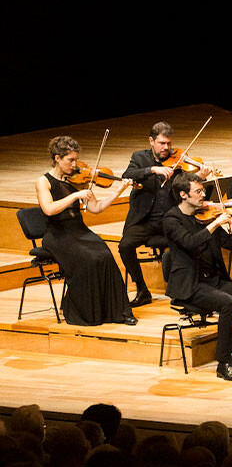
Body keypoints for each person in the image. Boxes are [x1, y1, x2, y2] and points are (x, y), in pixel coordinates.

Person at [162, 174, 232, 381]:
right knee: (228, 303)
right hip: (190, 284)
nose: (204, 195)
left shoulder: (206, 216)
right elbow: (189, 242)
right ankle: (224, 363)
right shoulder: (172, 219)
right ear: (183, 195)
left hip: (214, 280)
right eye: (198, 191)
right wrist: (215, 224)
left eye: (203, 190)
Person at [35, 136, 135, 327]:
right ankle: (84, 312)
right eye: (70, 160)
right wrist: (75, 195)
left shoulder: (77, 181)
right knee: (88, 258)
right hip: (57, 234)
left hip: (79, 230)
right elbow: (49, 209)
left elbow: (96, 208)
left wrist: (119, 191)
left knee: (105, 255)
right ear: (57, 158)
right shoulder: (44, 181)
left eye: (76, 160)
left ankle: (119, 311)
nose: (74, 165)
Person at [117, 122, 179, 306]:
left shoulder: (177, 161)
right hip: (144, 220)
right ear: (151, 141)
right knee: (125, 246)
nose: (166, 147)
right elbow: (128, 174)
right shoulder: (139, 157)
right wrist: (152, 169)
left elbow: (187, 186)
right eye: (162, 143)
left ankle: (181, 290)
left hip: (169, 221)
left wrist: (201, 176)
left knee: (188, 241)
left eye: (168, 143)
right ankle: (142, 289)